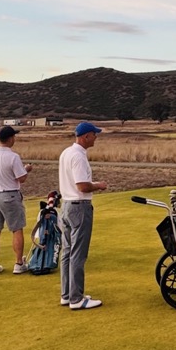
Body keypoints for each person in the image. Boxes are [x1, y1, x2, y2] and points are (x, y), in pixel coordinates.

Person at [58, 121, 108, 310]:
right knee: (78, 254)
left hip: (67, 206)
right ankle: (77, 299)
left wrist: (91, 183)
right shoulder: (78, 156)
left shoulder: (66, 153)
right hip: (80, 207)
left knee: (67, 252)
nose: (96, 137)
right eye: (94, 134)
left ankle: (67, 294)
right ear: (86, 136)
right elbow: (82, 186)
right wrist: (98, 185)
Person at [0, 125, 33, 275]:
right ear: (10, 139)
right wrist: (26, 169)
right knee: (16, 229)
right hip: (9, 194)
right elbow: (21, 178)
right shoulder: (13, 157)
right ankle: (18, 263)